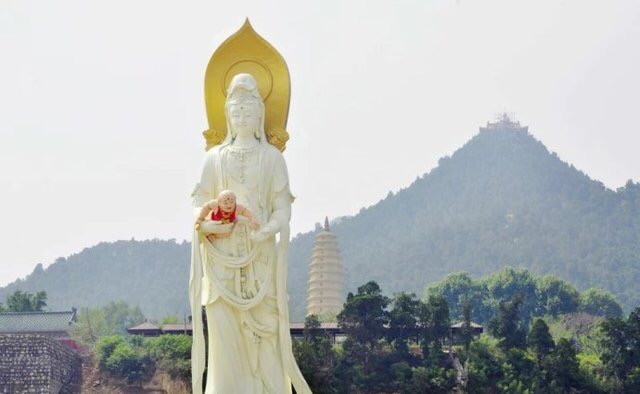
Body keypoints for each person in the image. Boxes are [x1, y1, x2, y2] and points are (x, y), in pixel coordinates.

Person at [189, 73, 311, 394]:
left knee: (267, 342)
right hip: (221, 267)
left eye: (248, 109)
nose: (242, 116)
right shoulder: (213, 159)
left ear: (260, 113)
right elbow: (198, 204)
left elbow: (282, 207)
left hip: (260, 265)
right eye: (236, 110)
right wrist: (204, 226)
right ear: (227, 114)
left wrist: (270, 227)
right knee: (224, 350)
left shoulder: (272, 159)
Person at [194, 190, 260, 238]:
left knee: (227, 233)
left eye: (231, 202)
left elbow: (245, 211)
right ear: (219, 202)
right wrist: (200, 218)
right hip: (213, 222)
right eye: (225, 203)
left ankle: (214, 237)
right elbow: (206, 207)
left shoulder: (238, 208)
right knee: (206, 230)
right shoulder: (215, 204)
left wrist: (253, 219)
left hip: (226, 227)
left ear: (235, 201)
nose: (229, 205)